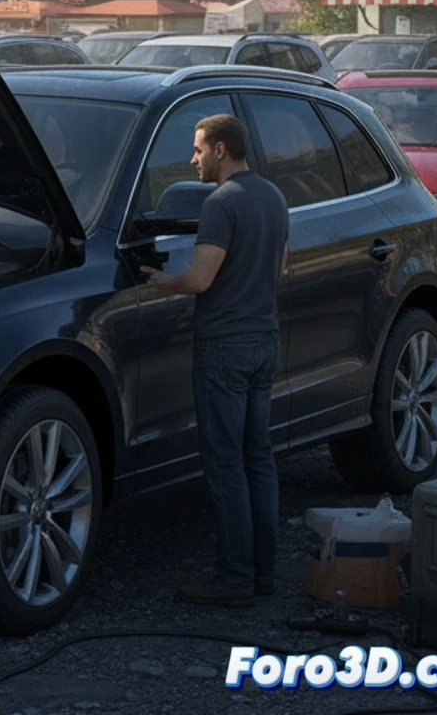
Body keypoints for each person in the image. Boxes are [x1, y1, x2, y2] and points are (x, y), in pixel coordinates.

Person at [142, 113, 287, 607]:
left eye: (199, 149)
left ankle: (234, 580)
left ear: (221, 150)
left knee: (225, 465)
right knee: (258, 458)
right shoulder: (274, 196)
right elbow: (278, 269)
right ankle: (264, 573)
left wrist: (158, 283)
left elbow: (201, 279)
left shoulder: (221, 203)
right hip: (265, 340)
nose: (193, 159)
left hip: (224, 346)